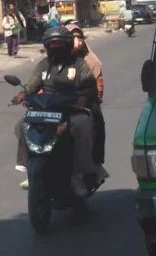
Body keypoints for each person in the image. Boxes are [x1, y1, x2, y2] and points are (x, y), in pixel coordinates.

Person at [10, 26, 98, 196]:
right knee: (21, 125)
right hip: (47, 110)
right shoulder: (43, 65)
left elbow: (90, 86)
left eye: (60, 44)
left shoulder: (79, 64)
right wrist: (23, 94)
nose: (56, 47)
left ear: (67, 45)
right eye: (53, 44)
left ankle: (78, 175)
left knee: (82, 125)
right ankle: (30, 170)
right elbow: (31, 85)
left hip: (70, 109)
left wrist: (84, 97)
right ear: (48, 47)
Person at [65, 25, 109, 179]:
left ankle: (97, 164)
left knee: (97, 121)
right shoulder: (56, 58)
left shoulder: (91, 61)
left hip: (83, 102)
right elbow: (43, 81)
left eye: (80, 37)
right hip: (58, 103)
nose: (77, 41)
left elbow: (98, 85)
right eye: (73, 37)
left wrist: (92, 98)